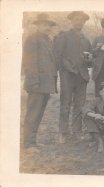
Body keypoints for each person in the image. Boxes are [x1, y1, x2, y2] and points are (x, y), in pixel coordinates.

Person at [54, 11, 92, 143]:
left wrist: (89, 59)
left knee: (79, 105)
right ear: (71, 21)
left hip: (82, 77)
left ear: (84, 22)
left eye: (82, 20)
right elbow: (58, 55)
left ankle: (77, 131)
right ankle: (63, 133)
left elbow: (89, 61)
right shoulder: (64, 36)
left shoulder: (86, 40)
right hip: (67, 75)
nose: (79, 22)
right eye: (76, 19)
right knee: (65, 103)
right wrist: (69, 67)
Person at [22, 13, 58, 153]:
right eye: (43, 24)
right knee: (33, 114)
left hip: (46, 85)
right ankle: (29, 144)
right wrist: (34, 83)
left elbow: (52, 63)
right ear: (37, 25)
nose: (47, 27)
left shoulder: (48, 40)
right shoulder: (33, 39)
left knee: (39, 113)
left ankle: (33, 142)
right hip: (37, 85)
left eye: (48, 25)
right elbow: (29, 63)